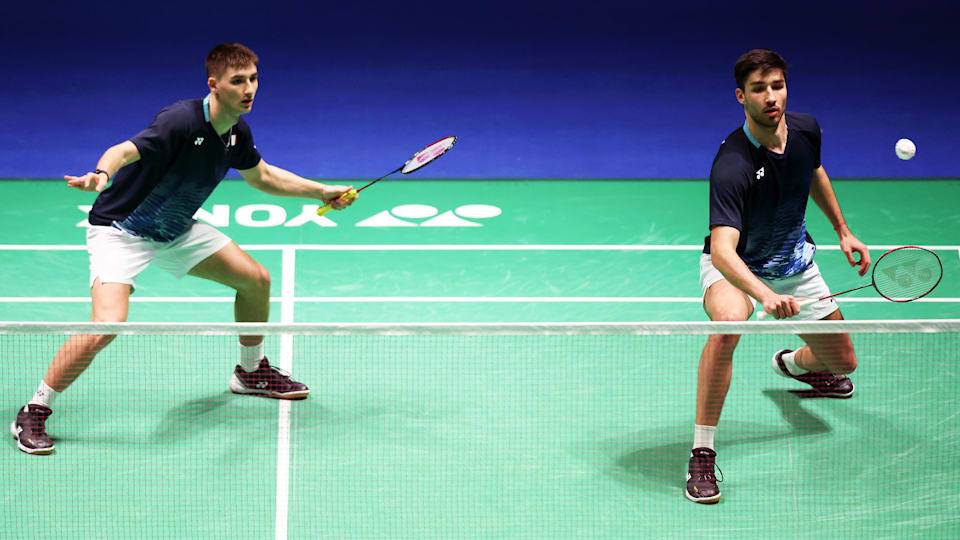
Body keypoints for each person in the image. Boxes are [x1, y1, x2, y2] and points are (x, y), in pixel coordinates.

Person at [10, 43, 356, 455]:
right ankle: (34, 408)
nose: (250, 89)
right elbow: (124, 150)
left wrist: (322, 191)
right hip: (123, 230)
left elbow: (261, 176)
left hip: (174, 227)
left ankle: (250, 371)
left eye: (254, 79)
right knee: (107, 323)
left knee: (256, 280)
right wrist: (101, 174)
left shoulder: (236, 132)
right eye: (238, 81)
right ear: (214, 84)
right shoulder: (181, 121)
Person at [685, 49, 871, 503]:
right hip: (740, 269)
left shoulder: (806, 128)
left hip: (794, 264)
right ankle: (702, 452)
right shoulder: (733, 164)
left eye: (777, 86)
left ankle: (792, 363)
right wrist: (764, 295)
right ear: (740, 96)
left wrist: (843, 231)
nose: (771, 97)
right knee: (728, 327)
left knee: (844, 364)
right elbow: (725, 252)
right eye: (759, 89)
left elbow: (814, 173)